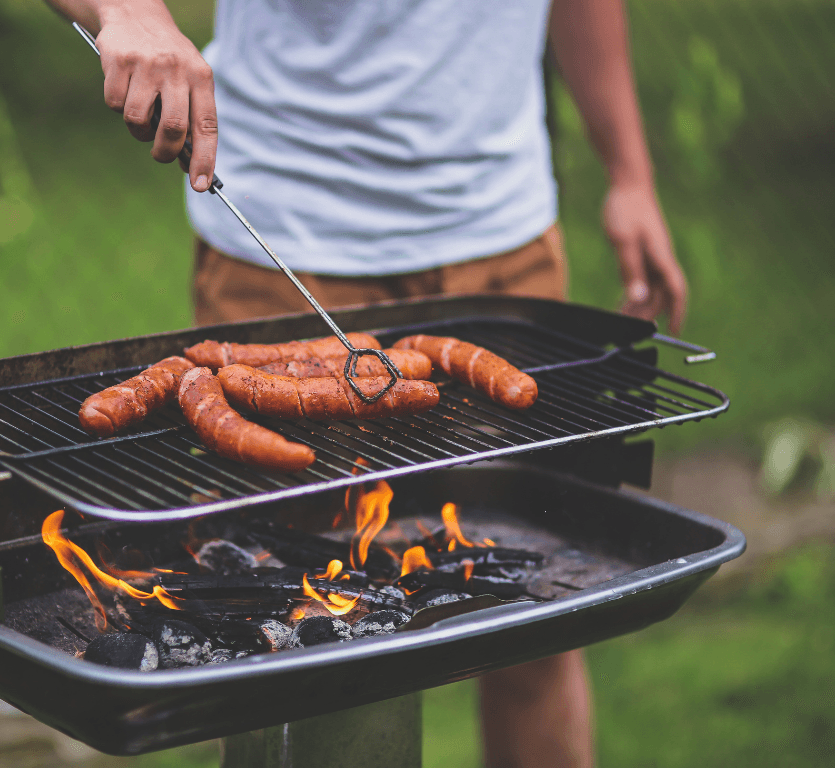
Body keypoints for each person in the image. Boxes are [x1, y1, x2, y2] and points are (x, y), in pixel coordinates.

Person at [47, 1, 688, 765]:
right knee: (287, 638)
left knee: (536, 620)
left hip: (503, 238)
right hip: (283, 238)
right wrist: (127, 12)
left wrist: (630, 173)